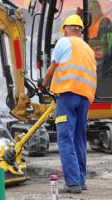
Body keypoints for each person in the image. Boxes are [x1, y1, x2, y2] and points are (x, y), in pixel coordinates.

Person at [42, 15, 97, 194]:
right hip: (84, 98)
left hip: (67, 96)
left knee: (65, 139)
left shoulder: (63, 43)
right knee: (79, 139)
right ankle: (80, 180)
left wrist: (42, 85)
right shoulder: (88, 49)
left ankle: (72, 183)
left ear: (66, 29)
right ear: (80, 30)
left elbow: (52, 69)